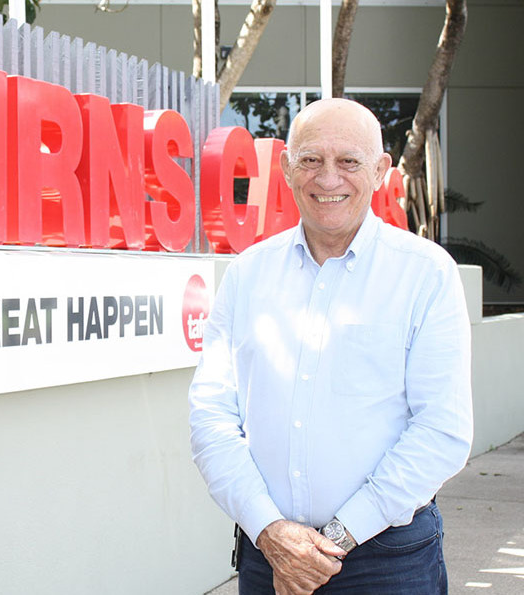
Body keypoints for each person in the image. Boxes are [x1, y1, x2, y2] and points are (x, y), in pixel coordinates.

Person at [189, 98, 472, 594]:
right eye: (311, 160)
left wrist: (330, 543)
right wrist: (271, 531)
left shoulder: (425, 274)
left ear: (381, 170)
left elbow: (441, 431)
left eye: (348, 162)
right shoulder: (247, 275)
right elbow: (211, 416)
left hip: (388, 560)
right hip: (268, 555)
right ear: (285, 167)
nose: (328, 179)